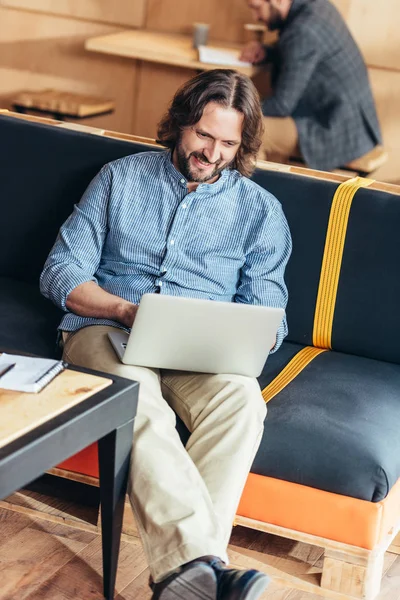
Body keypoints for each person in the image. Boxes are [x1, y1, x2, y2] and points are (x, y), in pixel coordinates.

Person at [40, 69, 292, 600]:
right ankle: (197, 571)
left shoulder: (262, 213)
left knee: (244, 404)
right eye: (204, 135)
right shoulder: (120, 178)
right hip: (107, 328)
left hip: (200, 349)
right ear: (180, 123)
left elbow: (270, 310)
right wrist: (127, 310)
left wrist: (248, 335)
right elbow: (61, 272)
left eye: (228, 143)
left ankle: (187, 576)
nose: (212, 152)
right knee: (139, 403)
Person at [241, 0, 382, 171]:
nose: (255, 17)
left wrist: (236, 108)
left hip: (337, 133)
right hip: (354, 125)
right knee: (253, 121)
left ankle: (254, 195)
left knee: (249, 130)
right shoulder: (318, 7)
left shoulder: (303, 30)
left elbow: (281, 105)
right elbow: (300, 51)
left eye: (256, 8)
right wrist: (268, 51)